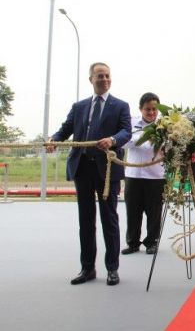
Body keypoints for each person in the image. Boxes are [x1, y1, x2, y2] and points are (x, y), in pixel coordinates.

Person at [48, 62, 132, 286]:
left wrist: (112, 140)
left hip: (107, 172)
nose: (104, 79)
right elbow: (66, 129)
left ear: (110, 79)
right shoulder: (79, 107)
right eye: (99, 76)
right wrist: (54, 140)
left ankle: (112, 269)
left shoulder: (121, 106)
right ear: (91, 79)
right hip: (82, 168)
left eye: (107, 76)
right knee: (85, 221)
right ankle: (87, 268)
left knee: (109, 220)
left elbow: (126, 131)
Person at [121, 92, 166, 256]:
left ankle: (151, 242)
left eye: (154, 109)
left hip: (156, 176)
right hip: (133, 175)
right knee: (132, 211)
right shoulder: (131, 123)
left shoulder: (165, 126)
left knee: (154, 212)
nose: (151, 112)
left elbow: (169, 146)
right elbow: (124, 142)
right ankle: (132, 243)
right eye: (148, 109)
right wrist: (144, 139)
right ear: (141, 109)